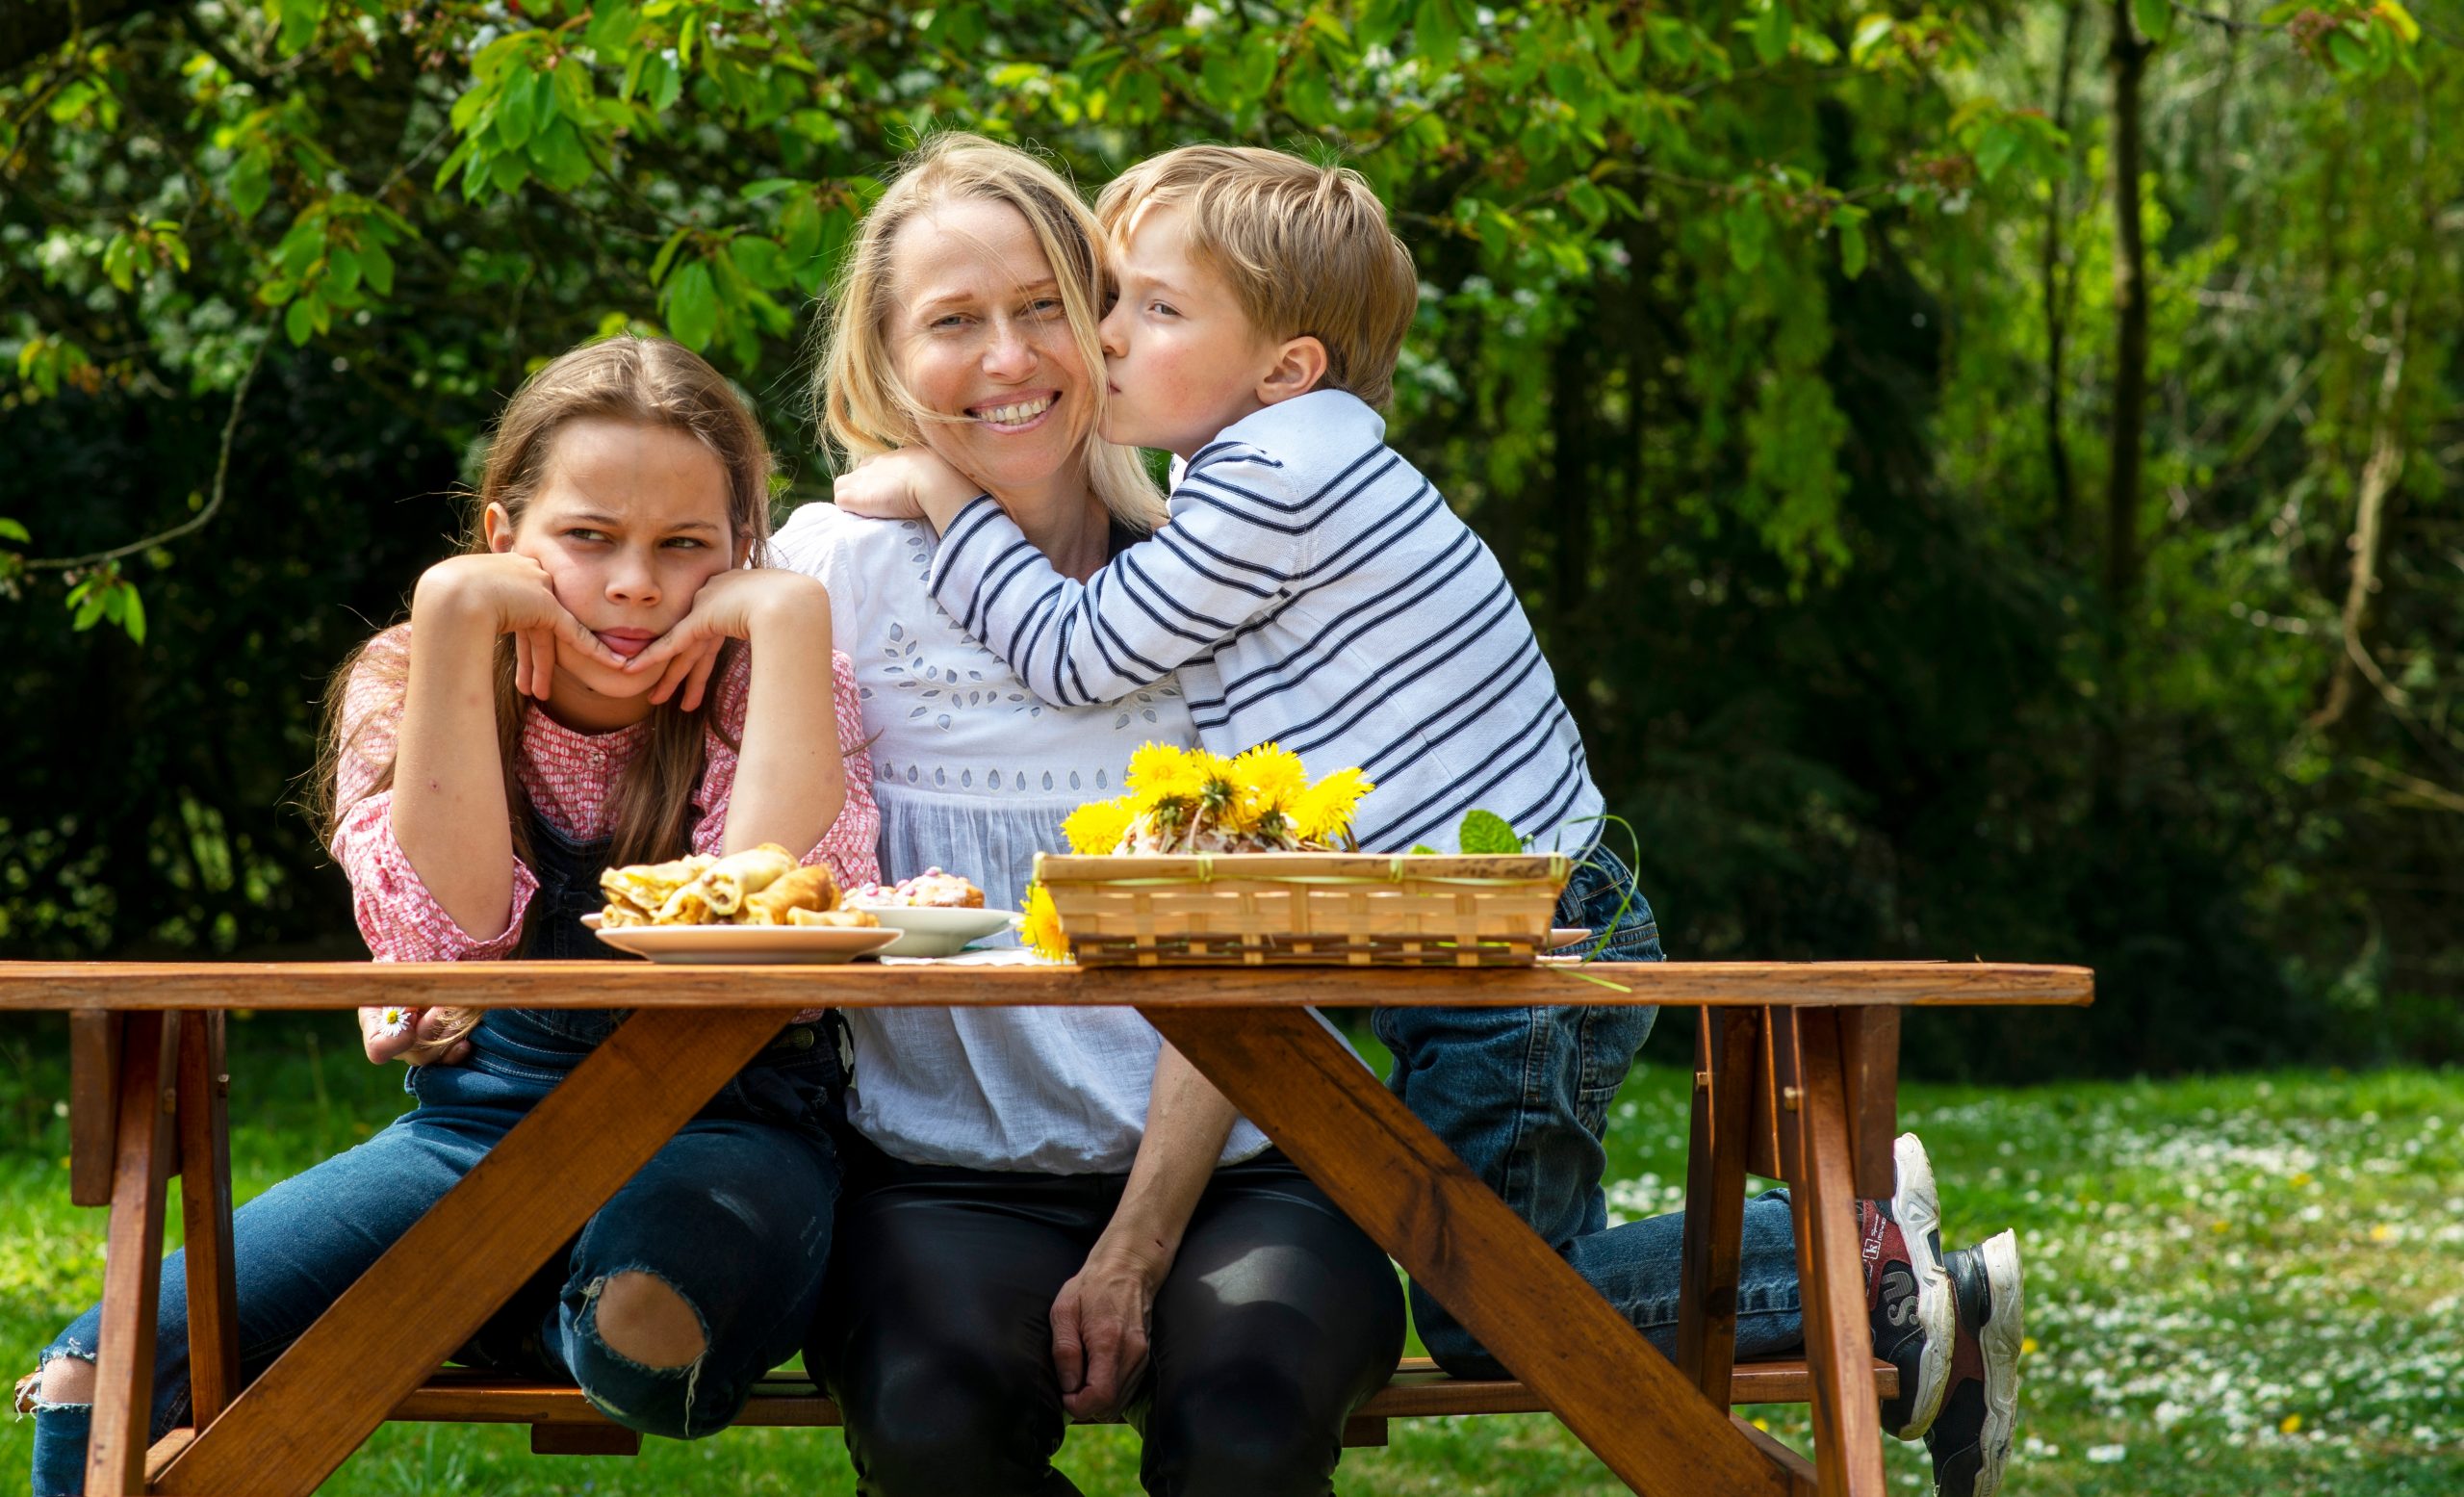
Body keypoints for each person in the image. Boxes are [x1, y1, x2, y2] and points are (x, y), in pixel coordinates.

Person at [836, 143, 2024, 1497]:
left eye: (1148, 309)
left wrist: (940, 496)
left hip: (1522, 934)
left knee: (1488, 1299)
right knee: (1493, 1282)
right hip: (1494, 918)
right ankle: (1841, 1251)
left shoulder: (1266, 480)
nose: (1102, 336)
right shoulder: (1298, 459)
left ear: (1283, 364)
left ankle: (1843, 1249)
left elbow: (1082, 650)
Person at [15, 336, 881, 1494]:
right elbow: (444, 949)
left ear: (741, 550)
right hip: (479, 1131)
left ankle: (511, 1295)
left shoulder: (774, 674)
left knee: (642, 1337)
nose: (633, 582)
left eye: (685, 547)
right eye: (587, 538)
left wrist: (785, 620)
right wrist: (452, 613)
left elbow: (769, 938)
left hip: (731, 1122)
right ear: (501, 537)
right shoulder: (410, 671)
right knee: (93, 1375)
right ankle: (507, 1285)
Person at [768, 132, 1403, 1497]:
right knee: (931, 1418)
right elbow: (624, 671)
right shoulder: (827, 571)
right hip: (943, 1172)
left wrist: (1137, 1242)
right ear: (884, 360)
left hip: (1244, 1153)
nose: (1008, 358)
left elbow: (1256, 937)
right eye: (953, 322)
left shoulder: (1217, 567)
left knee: (1247, 1417)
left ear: (1105, 319)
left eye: (1045, 304)